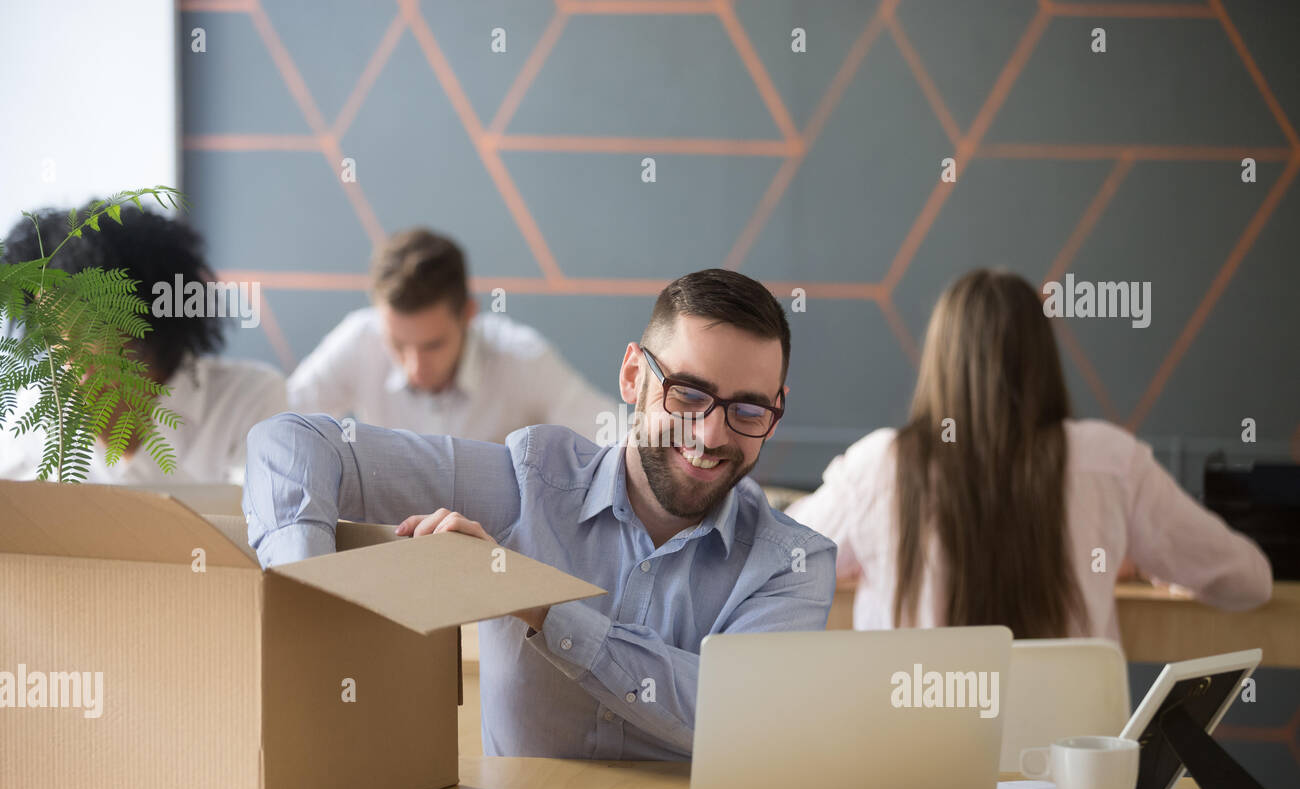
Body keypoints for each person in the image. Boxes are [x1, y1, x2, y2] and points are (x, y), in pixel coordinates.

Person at [244, 268, 836, 759]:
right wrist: (304, 610)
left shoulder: (792, 564)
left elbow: (742, 716)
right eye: (686, 395)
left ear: (776, 410)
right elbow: (292, 442)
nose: (709, 436)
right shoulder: (526, 483)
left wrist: (538, 603)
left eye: (749, 411)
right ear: (634, 376)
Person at [787, 268, 1272, 642]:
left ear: (939, 361)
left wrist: (859, 552)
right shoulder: (1110, 460)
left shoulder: (880, 466)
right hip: (1072, 769)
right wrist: (1146, 559)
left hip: (918, 769)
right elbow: (1249, 581)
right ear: (1042, 360)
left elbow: (777, 561)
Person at [0, 207, 287, 484]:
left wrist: (122, 442)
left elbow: (248, 525)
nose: (61, 353)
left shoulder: (249, 398)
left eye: (82, 326)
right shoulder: (35, 409)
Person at [287, 228, 617, 443]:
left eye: (432, 345)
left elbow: (614, 434)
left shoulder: (520, 357)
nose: (414, 367)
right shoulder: (359, 340)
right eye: (399, 345)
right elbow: (279, 428)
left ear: (468, 315)